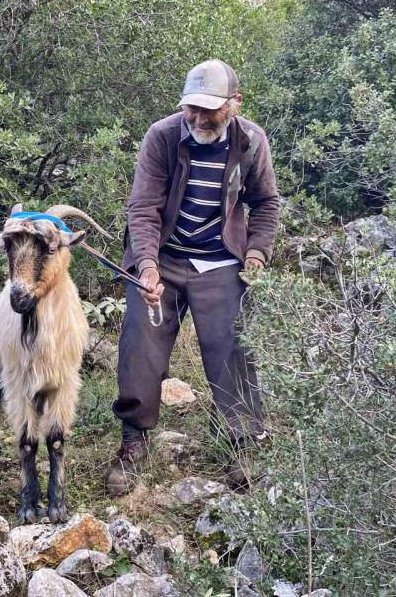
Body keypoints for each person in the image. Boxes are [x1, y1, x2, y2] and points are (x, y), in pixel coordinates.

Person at [106, 59, 281, 495]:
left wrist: (257, 254)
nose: (200, 119)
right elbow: (143, 208)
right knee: (140, 345)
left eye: (211, 110)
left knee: (232, 347)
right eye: (192, 109)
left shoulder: (251, 142)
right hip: (163, 256)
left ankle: (242, 443)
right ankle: (134, 439)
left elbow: (267, 205)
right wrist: (145, 266)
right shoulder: (162, 137)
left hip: (221, 260)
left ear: (235, 104)